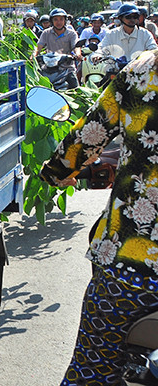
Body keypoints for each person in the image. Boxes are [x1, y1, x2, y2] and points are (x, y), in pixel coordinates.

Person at [40, 48, 158, 385]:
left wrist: (56, 171)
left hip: (131, 270)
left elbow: (88, 134)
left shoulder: (140, 71)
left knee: (90, 373)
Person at [34, 7, 82, 88]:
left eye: (61, 19)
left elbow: (76, 47)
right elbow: (38, 47)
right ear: (52, 21)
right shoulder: (46, 33)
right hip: (48, 68)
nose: (58, 22)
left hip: (67, 68)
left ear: (65, 21)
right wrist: (33, 55)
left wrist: (78, 54)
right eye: (55, 19)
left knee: (76, 90)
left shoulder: (72, 34)